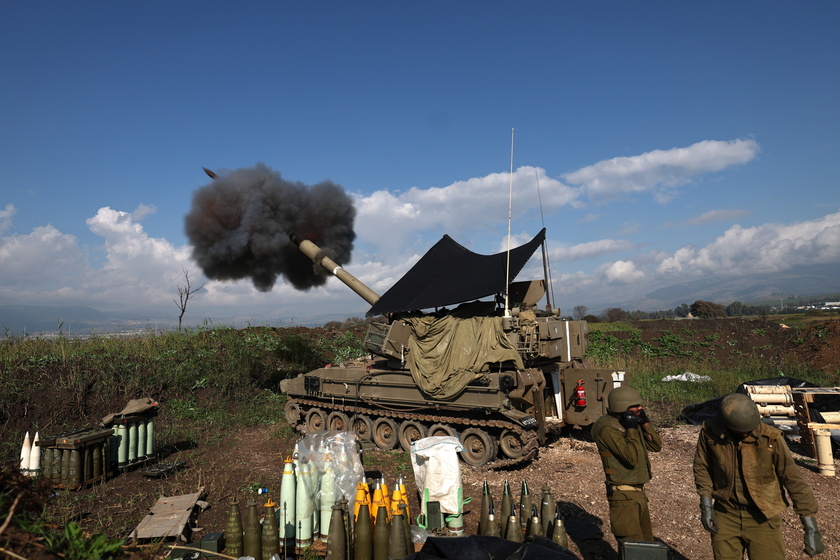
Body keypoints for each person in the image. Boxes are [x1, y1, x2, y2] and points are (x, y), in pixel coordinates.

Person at [693, 392, 825, 559]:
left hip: (762, 518)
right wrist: (706, 506)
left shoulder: (770, 439)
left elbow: (793, 479)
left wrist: (811, 528)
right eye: (741, 431)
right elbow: (702, 467)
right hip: (726, 515)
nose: (747, 434)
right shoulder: (710, 432)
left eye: (750, 430)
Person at [591, 385, 662, 542]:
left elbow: (656, 446)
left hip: (637, 493)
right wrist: (631, 429)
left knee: (646, 543)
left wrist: (645, 424)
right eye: (635, 406)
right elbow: (631, 457)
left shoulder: (626, 421)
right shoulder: (607, 428)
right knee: (633, 545)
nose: (640, 407)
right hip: (624, 496)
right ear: (622, 406)